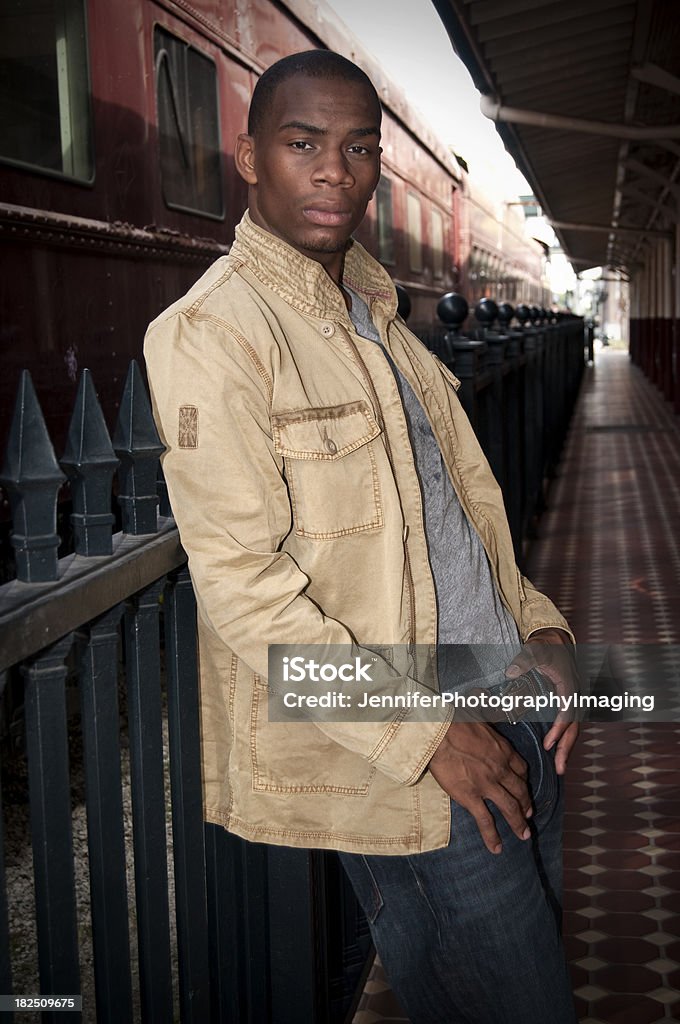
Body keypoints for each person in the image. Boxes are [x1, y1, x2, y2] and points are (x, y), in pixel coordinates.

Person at [144, 49, 579, 1024]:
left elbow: (458, 508)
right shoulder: (211, 333)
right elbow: (245, 591)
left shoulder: (373, 314)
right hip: (416, 764)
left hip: (503, 704)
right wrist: (428, 735)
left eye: (356, 147)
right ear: (248, 156)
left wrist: (540, 628)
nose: (334, 169)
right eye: (302, 144)